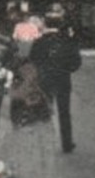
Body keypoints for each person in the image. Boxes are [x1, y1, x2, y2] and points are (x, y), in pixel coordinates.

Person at [0, 36, 60, 178]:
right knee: (35, 146)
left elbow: (21, 92)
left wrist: (7, 91)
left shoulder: (27, 69)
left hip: (29, 113)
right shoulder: (33, 68)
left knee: (29, 145)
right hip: (34, 112)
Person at [30, 8, 82, 153]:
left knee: (45, 111)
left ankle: (44, 142)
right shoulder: (68, 41)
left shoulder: (39, 41)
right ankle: (67, 143)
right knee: (64, 112)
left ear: (46, 23)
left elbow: (33, 59)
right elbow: (76, 63)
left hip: (45, 79)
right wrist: (66, 69)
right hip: (63, 79)